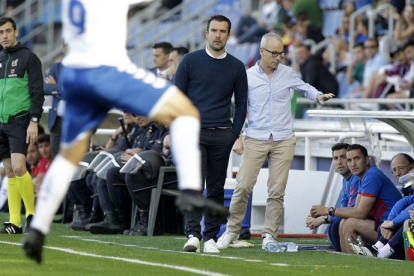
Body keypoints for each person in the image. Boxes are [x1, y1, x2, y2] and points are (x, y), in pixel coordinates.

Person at [23, 0, 227, 264]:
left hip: (75, 77)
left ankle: (38, 228)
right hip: (107, 72)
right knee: (186, 113)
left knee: (68, 157)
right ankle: (189, 192)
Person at [216, 33, 334, 251]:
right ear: (261, 51)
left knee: (276, 190)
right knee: (243, 186)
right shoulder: (247, 76)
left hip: (283, 139)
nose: (278, 58)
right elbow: (239, 109)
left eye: (281, 53)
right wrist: (237, 137)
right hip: (255, 137)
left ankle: (269, 235)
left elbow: (304, 87)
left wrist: (318, 96)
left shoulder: (288, 73)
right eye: (274, 53)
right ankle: (232, 230)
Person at [174, 14, 248, 253]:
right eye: (214, 30)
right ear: (206, 33)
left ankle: (210, 238)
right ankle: (193, 235)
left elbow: (242, 103)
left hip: (221, 135)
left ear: (228, 35)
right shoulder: (189, 61)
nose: (218, 35)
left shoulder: (236, 67)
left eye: (222, 31)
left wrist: (234, 133)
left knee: (216, 189)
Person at [310, 144, 402, 253]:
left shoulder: (371, 176)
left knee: (349, 223)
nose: (353, 164)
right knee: (345, 222)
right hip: (382, 226)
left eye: (357, 159)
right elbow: (354, 209)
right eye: (349, 160)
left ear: (367, 160)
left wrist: (327, 211)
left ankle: (352, 264)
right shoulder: (362, 177)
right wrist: (326, 213)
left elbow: (360, 213)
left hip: (393, 230)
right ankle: (347, 263)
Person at [0, 17, 44, 235]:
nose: (4, 36)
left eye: (8, 31)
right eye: (1, 32)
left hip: (20, 119)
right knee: (9, 171)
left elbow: (37, 92)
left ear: (16, 32)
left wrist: (34, 120)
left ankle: (31, 217)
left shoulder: (29, 58)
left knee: (19, 168)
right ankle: (14, 222)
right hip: (0, 121)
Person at [352, 153, 414, 259]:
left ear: (412, 168)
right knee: (384, 227)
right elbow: (404, 202)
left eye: (401, 168)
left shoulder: (372, 176)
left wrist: (393, 223)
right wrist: (390, 221)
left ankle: (380, 253)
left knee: (406, 224)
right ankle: (376, 249)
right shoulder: (408, 187)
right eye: (394, 170)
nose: (398, 174)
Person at [305, 143, 360, 252]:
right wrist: (322, 215)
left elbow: (350, 212)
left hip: (375, 224)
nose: (339, 162)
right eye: (335, 158)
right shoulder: (346, 180)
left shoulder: (357, 179)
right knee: (334, 226)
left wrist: (323, 218)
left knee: (335, 226)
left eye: (343, 157)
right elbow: (343, 209)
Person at [43, 43, 66, 158]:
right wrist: (61, 88)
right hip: (56, 121)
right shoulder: (56, 67)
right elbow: (44, 88)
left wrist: (56, 87)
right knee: (57, 158)